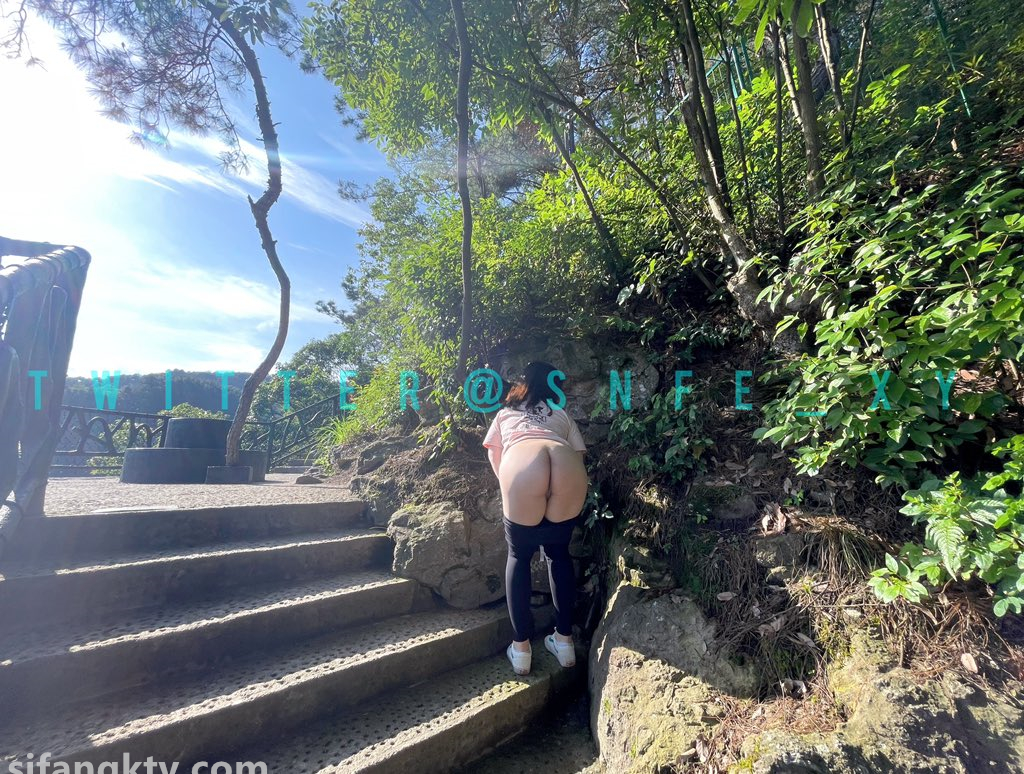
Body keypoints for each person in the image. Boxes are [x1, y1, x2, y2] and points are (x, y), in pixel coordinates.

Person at [482, 361, 589, 675]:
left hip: (522, 464)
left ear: (522, 384)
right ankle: (564, 642)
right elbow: (579, 455)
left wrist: (512, 484)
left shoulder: (505, 413)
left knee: (519, 555)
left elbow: (493, 452)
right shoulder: (560, 414)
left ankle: (521, 650)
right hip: (566, 464)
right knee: (559, 554)